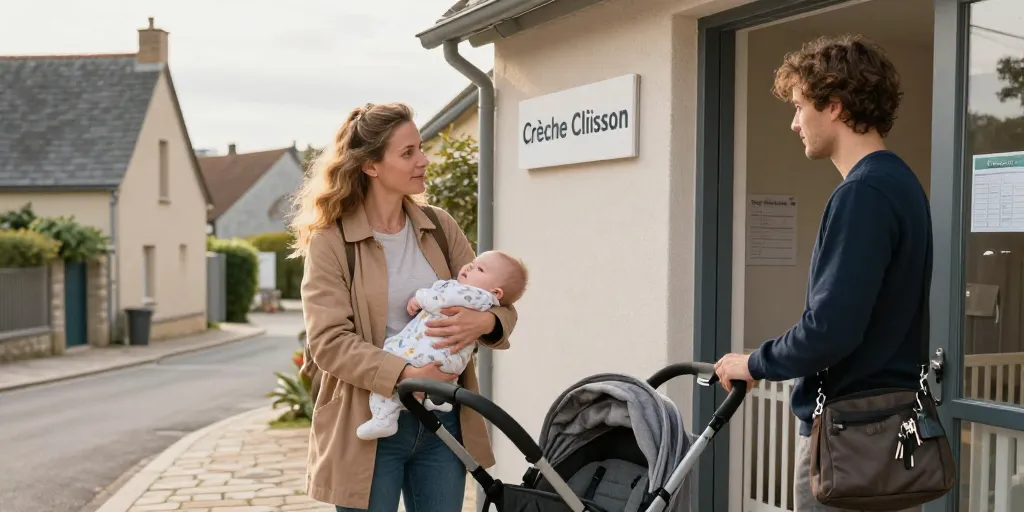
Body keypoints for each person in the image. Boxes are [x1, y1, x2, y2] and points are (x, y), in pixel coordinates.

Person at [712, 35, 930, 512]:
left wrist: (753, 363)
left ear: (834, 105)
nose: (794, 123)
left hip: (849, 441)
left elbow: (830, 329)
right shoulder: (902, 185)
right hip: (887, 434)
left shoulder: (862, 194)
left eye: (799, 106)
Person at [290, 102, 518, 512]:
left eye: (421, 148)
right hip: (368, 424)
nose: (423, 160)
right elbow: (328, 342)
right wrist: (409, 375)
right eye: (408, 152)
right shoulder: (333, 241)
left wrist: (484, 320)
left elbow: (498, 299)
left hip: (442, 424)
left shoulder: (439, 227)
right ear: (372, 166)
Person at [357, 250, 529, 440]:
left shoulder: (471, 294)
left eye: (479, 268)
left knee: (389, 365)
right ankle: (435, 400)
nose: (469, 266)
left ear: (496, 292)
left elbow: (440, 300)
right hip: (447, 361)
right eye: (472, 262)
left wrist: (419, 298)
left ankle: (384, 418)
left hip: (427, 354)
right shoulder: (482, 299)